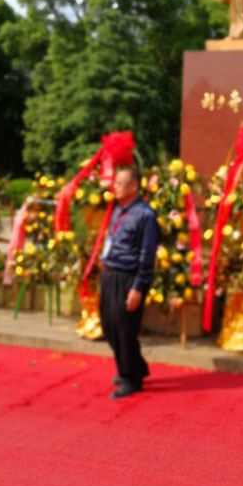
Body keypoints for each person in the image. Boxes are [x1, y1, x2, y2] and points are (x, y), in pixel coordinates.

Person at [99, 166, 159, 399]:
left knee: (125, 329)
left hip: (128, 277)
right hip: (110, 274)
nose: (115, 187)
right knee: (108, 325)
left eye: (120, 183)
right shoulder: (119, 209)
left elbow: (147, 255)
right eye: (115, 183)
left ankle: (130, 378)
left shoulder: (146, 215)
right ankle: (137, 366)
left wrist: (138, 288)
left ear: (134, 186)